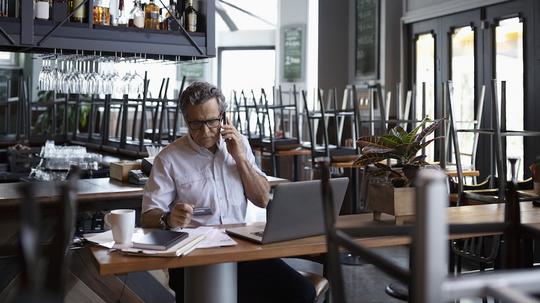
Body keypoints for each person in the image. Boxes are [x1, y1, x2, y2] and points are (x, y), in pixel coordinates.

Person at [141, 82, 316, 303]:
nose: (205, 132)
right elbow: (147, 217)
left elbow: (262, 199)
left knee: (301, 291)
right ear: (186, 121)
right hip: (193, 260)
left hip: (240, 253)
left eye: (212, 122)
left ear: (223, 118)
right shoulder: (168, 158)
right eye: (196, 124)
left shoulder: (239, 145)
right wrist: (167, 218)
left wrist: (240, 158)